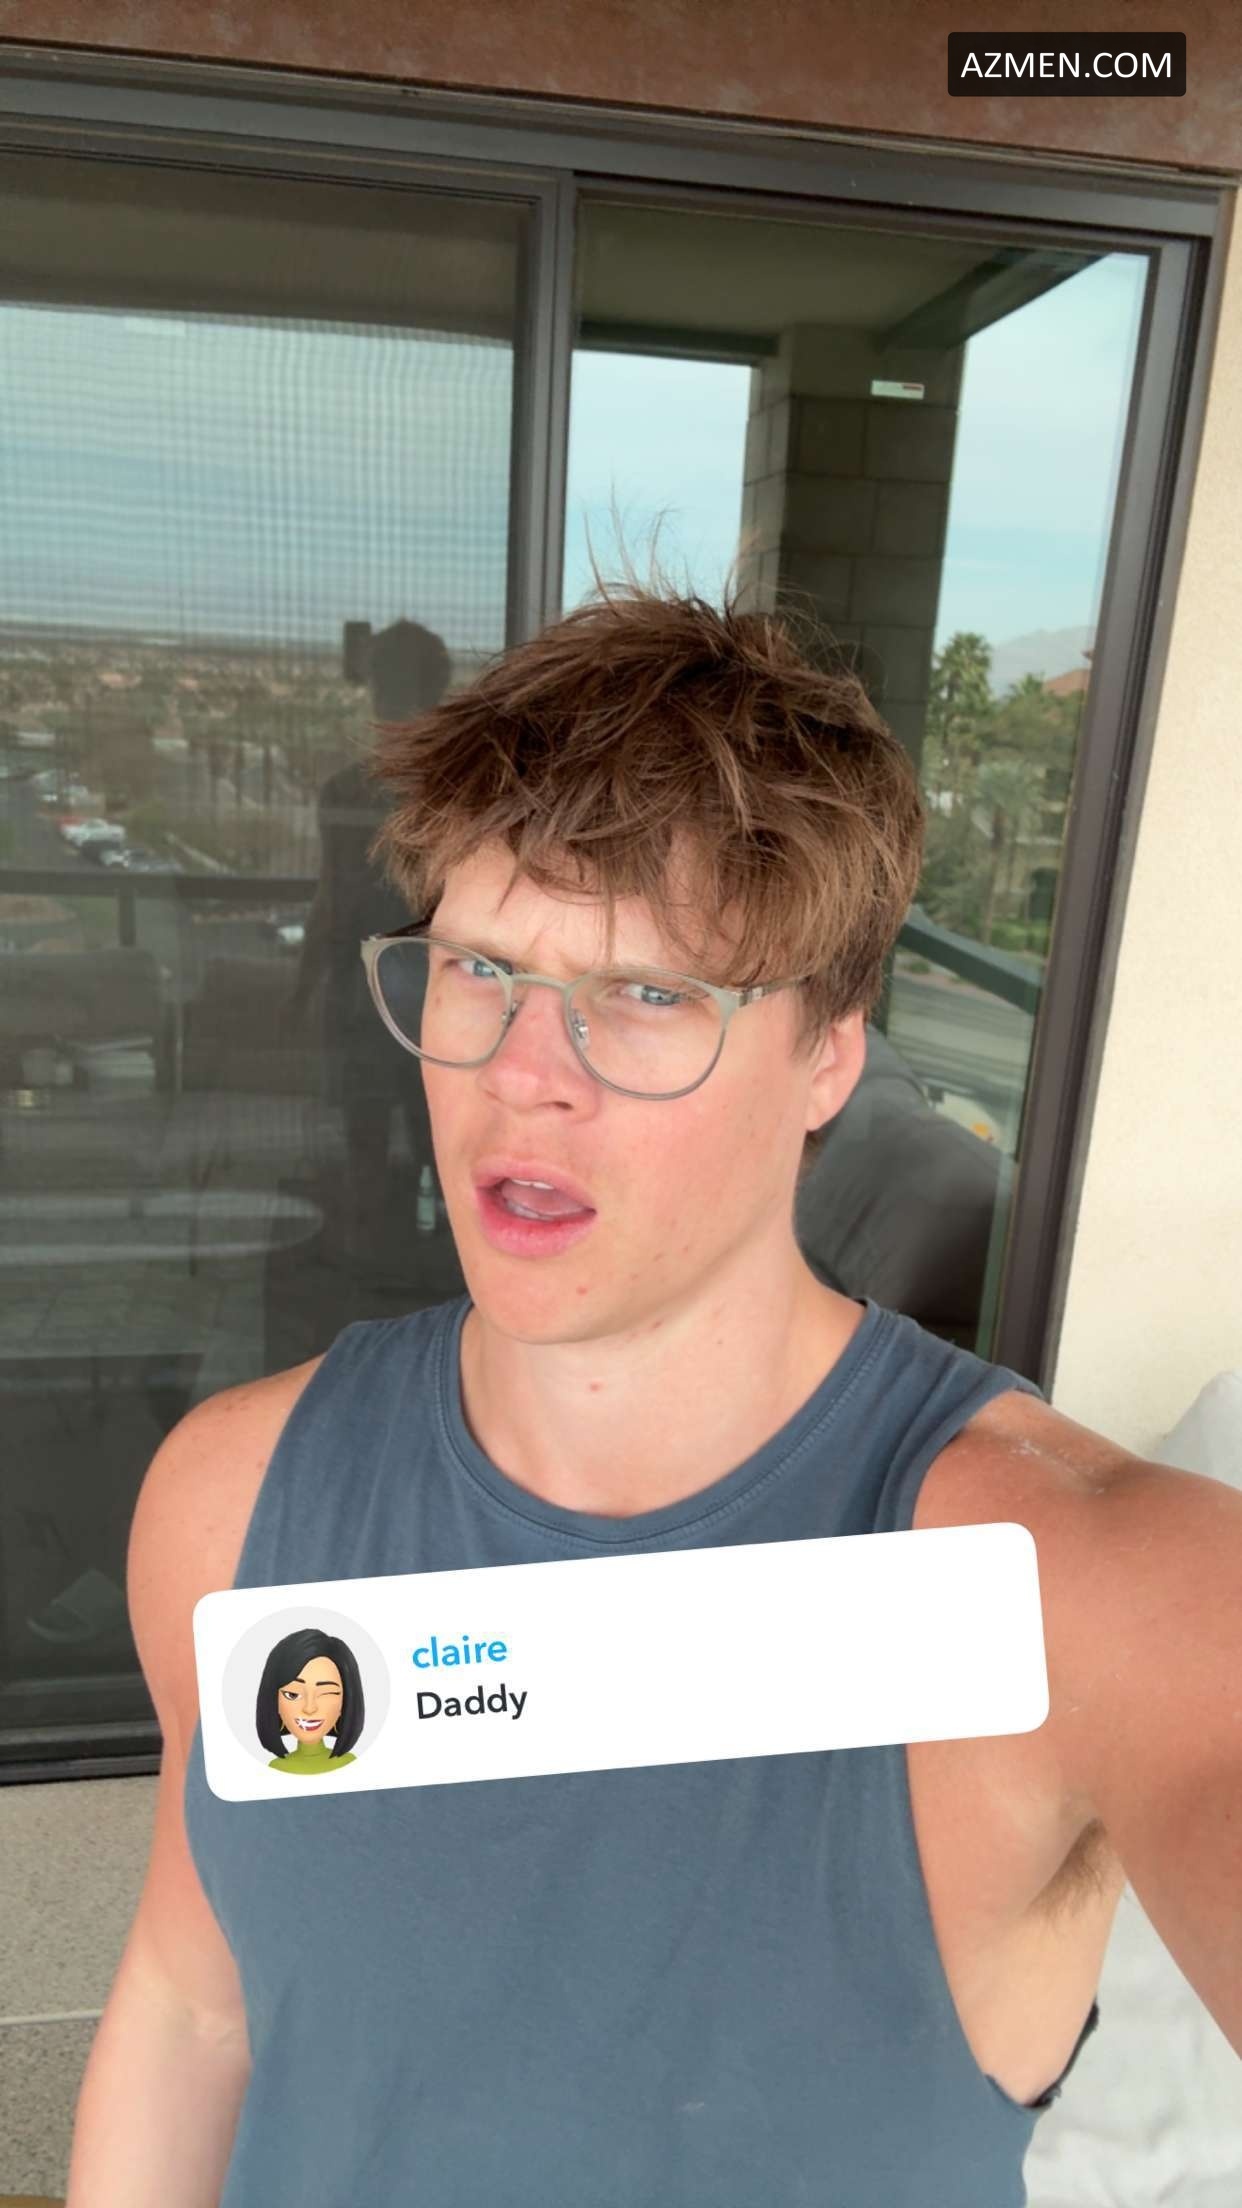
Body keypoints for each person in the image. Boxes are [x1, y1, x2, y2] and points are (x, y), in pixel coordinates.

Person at [67, 582, 1242, 2206]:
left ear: (828, 1055)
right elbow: (195, 2008)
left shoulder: (1084, 1587)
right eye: (480, 967)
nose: (519, 1072)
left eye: (647, 993)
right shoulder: (232, 1497)